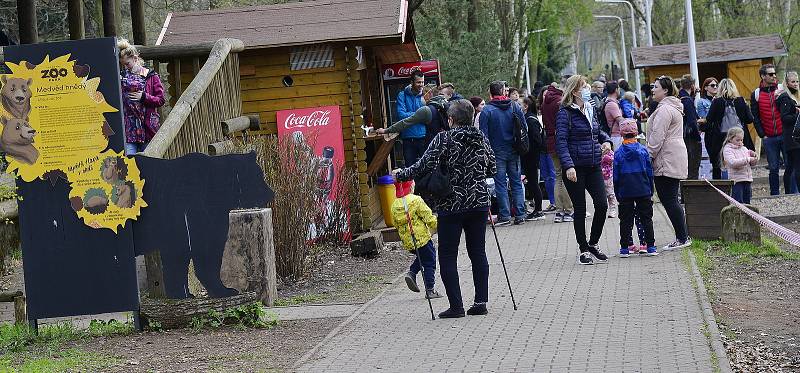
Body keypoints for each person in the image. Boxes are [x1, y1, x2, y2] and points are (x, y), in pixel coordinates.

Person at [394, 99, 496, 318]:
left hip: (451, 203)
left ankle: (456, 306)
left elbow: (423, 165)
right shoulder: (480, 137)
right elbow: (493, 166)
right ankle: (481, 302)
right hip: (478, 202)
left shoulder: (444, 138)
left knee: (448, 254)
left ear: (451, 119)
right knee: (477, 251)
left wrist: (400, 174)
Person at [555, 75, 613, 265]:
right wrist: (568, 165)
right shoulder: (565, 113)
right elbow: (561, 142)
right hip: (575, 168)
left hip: (593, 164)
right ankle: (583, 249)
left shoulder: (591, 108)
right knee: (580, 209)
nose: (588, 89)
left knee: (602, 205)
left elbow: (597, 131)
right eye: (584, 87)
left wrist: (606, 140)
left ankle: (593, 243)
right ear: (575, 91)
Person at [647, 76, 691, 250]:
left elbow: (658, 136)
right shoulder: (672, 107)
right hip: (672, 154)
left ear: (665, 90)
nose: (652, 89)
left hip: (666, 157)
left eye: (655, 87)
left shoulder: (665, 109)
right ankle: (683, 235)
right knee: (670, 198)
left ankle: (682, 237)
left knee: (669, 199)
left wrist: (648, 156)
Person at [479, 81, 527, 226]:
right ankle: (520, 215)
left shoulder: (486, 111)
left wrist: (486, 154)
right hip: (514, 149)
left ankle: (505, 216)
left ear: (490, 93)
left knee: (500, 184)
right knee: (516, 182)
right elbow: (524, 127)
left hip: (496, 152)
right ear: (503, 92)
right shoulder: (514, 106)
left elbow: (483, 136)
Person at [392, 180, 443, 299]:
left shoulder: (394, 204)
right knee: (430, 261)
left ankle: (412, 273)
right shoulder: (416, 200)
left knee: (422, 257)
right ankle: (430, 290)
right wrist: (440, 226)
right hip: (421, 238)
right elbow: (428, 217)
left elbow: (395, 223)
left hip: (408, 240)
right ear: (410, 187)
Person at [614, 120, 657, 257]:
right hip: (643, 188)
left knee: (625, 220)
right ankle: (650, 246)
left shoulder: (619, 152)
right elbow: (650, 172)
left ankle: (624, 248)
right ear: (636, 133)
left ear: (621, 133)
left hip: (625, 190)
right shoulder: (643, 150)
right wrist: (651, 189)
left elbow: (616, 176)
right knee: (646, 218)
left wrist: (617, 193)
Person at [118, 37, 165, 155]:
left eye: (127, 63)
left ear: (135, 58)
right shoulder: (121, 77)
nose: (126, 67)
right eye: (123, 65)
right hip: (129, 129)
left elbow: (160, 100)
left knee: (148, 162)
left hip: (147, 128)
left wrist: (143, 97)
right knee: (129, 161)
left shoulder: (151, 76)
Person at [704, 79, 755, 180]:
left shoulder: (717, 101)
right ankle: (740, 183)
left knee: (719, 165)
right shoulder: (740, 100)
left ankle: (720, 189)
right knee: (740, 161)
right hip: (739, 137)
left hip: (721, 138)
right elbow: (749, 119)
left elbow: (709, 119)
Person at [751, 64, 789, 195]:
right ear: (763, 76)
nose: (774, 76)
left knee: (790, 165)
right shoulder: (756, 94)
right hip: (769, 137)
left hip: (785, 134)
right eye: (770, 74)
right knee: (773, 168)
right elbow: (755, 117)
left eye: (774, 74)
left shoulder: (782, 89)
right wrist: (762, 135)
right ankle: (775, 194)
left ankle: (792, 192)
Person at [379, 84, 453, 147]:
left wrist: (386, 130)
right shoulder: (446, 104)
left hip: (434, 146)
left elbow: (405, 123)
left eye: (424, 94)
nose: (423, 97)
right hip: (446, 143)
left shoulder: (426, 110)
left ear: (430, 93)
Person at [541, 82, 574, 222]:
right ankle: (569, 210)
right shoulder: (560, 102)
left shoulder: (544, 103)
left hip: (550, 141)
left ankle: (559, 211)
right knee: (566, 176)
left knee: (558, 177)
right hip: (561, 141)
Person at [521, 96, 546, 221]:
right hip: (531, 155)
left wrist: (529, 150)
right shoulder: (530, 118)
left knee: (534, 183)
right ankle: (537, 208)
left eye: (521, 104)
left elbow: (537, 139)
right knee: (532, 182)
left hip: (532, 156)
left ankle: (539, 210)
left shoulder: (530, 120)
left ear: (526, 106)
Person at [396, 70, 427, 167]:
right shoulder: (402, 95)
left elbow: (429, 114)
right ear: (412, 82)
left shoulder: (426, 94)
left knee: (426, 168)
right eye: (418, 82)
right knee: (410, 169)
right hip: (408, 138)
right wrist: (420, 115)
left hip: (424, 137)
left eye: (422, 82)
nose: (421, 84)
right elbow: (401, 115)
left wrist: (411, 115)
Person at [777, 71, 800, 193]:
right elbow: (784, 118)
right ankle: (793, 192)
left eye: (797, 81)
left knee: (791, 166)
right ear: (787, 83)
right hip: (792, 137)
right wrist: (797, 114)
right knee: (796, 166)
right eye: (793, 81)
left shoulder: (796, 95)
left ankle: (788, 192)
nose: (795, 84)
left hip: (796, 136)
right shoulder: (785, 97)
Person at [722, 127, 758, 204]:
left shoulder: (744, 148)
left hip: (747, 179)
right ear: (730, 139)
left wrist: (754, 158)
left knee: (747, 203)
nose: (740, 142)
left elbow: (751, 164)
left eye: (741, 140)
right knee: (738, 203)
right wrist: (748, 159)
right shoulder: (727, 149)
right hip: (737, 180)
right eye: (737, 140)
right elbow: (733, 163)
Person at [679, 74, 702, 180]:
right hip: (690, 138)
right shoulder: (687, 101)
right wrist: (698, 137)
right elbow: (692, 122)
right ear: (692, 85)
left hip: (682, 136)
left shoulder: (680, 98)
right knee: (692, 169)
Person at [603, 81, 625, 149]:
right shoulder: (611, 104)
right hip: (615, 136)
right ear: (616, 90)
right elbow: (620, 120)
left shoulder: (610, 102)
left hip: (616, 135)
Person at [601, 143, 617, 218]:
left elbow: (612, 160)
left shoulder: (610, 153)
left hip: (608, 177)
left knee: (610, 194)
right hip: (598, 177)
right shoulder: (597, 150)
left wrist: (604, 155)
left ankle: (612, 209)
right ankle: (601, 211)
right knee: (601, 196)